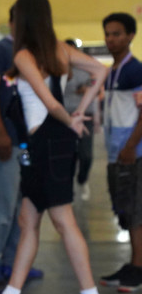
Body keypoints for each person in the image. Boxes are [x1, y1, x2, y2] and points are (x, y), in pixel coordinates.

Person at [0, 0, 108, 294]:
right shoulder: (59, 50)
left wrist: (73, 119)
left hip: (49, 141)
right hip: (46, 144)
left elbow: (50, 102)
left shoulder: (24, 56)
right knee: (28, 219)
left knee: (63, 221)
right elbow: (100, 72)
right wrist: (81, 111)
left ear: (21, 18)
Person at [0, 6, 44, 284]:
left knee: (23, 209)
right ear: (11, 22)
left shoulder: (37, 55)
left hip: (30, 141)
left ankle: (15, 262)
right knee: (1, 207)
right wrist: (0, 132)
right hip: (4, 141)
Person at [98, 12, 142, 292]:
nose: (111, 39)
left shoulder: (135, 70)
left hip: (133, 153)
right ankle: (132, 263)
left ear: (130, 36)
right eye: (108, 34)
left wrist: (130, 147)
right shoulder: (111, 71)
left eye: (116, 34)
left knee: (137, 211)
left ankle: (138, 268)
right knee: (124, 209)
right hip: (116, 152)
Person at [63, 38, 97, 202]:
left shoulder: (86, 68)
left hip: (85, 115)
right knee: (68, 155)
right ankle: (67, 188)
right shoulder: (58, 69)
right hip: (64, 116)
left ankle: (82, 180)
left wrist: (88, 87)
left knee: (86, 155)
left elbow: (97, 82)